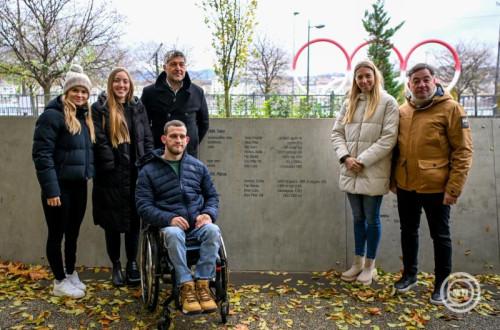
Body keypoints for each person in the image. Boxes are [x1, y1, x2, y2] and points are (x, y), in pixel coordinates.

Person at [392, 63, 473, 304]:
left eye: (426, 79)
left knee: (440, 236)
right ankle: (409, 275)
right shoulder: (403, 111)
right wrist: (392, 180)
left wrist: (454, 188)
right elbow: (395, 149)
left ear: (435, 81)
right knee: (408, 231)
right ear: (409, 85)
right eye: (416, 80)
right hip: (406, 185)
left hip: (437, 188)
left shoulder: (451, 109)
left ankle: (442, 285)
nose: (421, 84)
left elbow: (463, 151)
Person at [136, 120, 220, 315]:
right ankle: (186, 286)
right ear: (164, 139)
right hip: (168, 228)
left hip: (197, 225)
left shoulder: (198, 167)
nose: (178, 140)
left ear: (188, 139)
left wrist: (208, 214)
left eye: (182, 136)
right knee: (173, 233)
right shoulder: (148, 170)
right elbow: (143, 205)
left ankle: (203, 285)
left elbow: (212, 197)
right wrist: (169, 219)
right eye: (174, 136)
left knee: (213, 230)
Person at [331, 60, 399, 285]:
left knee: (372, 219)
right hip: (350, 170)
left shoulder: (388, 102)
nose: (364, 80)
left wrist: (362, 160)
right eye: (359, 77)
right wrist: (346, 158)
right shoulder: (349, 102)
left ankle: (371, 266)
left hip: (373, 171)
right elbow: (337, 133)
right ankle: (357, 263)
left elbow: (389, 138)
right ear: (355, 80)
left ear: (375, 76)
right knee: (358, 218)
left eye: (367, 76)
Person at [32, 64, 95, 298]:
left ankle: (70, 272)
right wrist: (51, 190)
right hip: (58, 188)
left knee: (73, 233)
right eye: (75, 90)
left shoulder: (83, 117)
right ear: (66, 92)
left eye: (84, 91)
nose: (80, 95)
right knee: (56, 234)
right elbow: (41, 154)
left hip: (78, 185)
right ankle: (59, 281)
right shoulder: (51, 116)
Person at [91, 67, 153, 286]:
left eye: (125, 81)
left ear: (130, 84)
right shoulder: (100, 109)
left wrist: (146, 163)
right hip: (111, 176)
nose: (121, 85)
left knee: (134, 222)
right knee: (113, 224)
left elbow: (147, 137)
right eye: (117, 81)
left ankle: (132, 264)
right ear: (111, 84)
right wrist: (111, 165)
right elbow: (99, 139)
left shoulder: (137, 107)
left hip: (136, 174)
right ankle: (116, 265)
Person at [141, 50, 209, 158]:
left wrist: (191, 143)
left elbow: (204, 123)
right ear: (165, 67)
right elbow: (143, 124)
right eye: (173, 64)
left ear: (185, 68)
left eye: (181, 64)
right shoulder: (149, 92)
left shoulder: (197, 92)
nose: (178, 68)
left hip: (188, 154)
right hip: (159, 153)